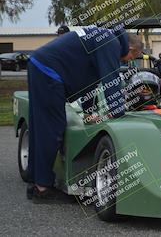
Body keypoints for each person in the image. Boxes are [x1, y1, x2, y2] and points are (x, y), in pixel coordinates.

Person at [27, 26, 143, 203]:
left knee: (40, 125)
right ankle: (42, 188)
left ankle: (34, 180)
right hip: (49, 71)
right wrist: (118, 113)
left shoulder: (105, 38)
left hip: (41, 65)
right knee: (51, 128)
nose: (127, 62)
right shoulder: (110, 43)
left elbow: (92, 81)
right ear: (132, 49)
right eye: (131, 58)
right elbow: (110, 79)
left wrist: (89, 113)